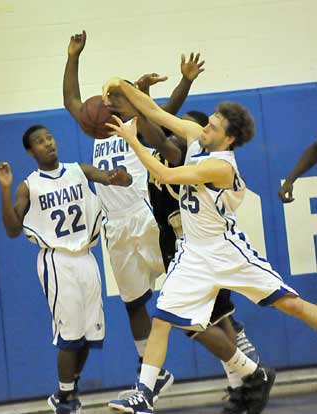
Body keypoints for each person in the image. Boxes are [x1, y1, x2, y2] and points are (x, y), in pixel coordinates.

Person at [102, 77, 317, 414]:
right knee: (161, 318)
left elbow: (166, 174)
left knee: (291, 305)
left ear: (228, 138)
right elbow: (153, 111)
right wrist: (122, 85)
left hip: (225, 250)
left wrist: (133, 141)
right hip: (192, 253)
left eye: (213, 127)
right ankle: (143, 394)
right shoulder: (195, 137)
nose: (204, 128)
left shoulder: (220, 166)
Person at [63, 30, 205, 400]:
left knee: (182, 291)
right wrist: (73, 56)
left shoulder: (138, 122)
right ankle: (151, 372)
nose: (109, 98)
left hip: (145, 216)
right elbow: (71, 99)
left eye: (118, 93)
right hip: (115, 226)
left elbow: (166, 112)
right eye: (108, 95)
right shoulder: (98, 125)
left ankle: (229, 344)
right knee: (133, 302)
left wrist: (185, 81)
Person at [0, 125, 132, 414]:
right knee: (69, 337)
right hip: (57, 260)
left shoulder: (78, 170)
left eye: (49, 137)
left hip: (87, 256)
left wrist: (121, 177)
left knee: (89, 336)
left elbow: (112, 177)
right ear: (31, 152)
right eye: (39, 142)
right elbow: (11, 230)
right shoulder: (28, 185)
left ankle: (68, 389)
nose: (47, 143)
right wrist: (5, 190)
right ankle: (66, 400)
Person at [146, 109, 260, 414]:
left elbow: (156, 131)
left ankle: (251, 376)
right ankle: (242, 386)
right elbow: (156, 122)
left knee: (201, 322)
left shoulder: (183, 151)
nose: (172, 136)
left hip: (196, 243)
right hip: (178, 240)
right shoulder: (181, 149)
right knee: (218, 319)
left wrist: (132, 118)